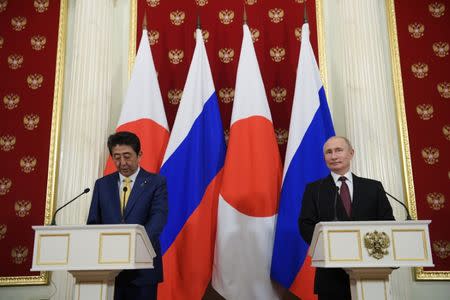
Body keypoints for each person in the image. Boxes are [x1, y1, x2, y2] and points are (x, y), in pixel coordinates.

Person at [298, 136, 394, 300]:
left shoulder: (373, 187)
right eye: (329, 152)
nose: (333, 156)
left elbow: (387, 223)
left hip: (371, 271)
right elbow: (306, 224)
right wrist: (328, 248)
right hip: (331, 275)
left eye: (338, 150)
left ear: (351, 153)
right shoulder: (315, 189)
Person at [87, 131, 168, 300]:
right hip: (109, 268)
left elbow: (158, 218)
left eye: (127, 156)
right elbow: (94, 222)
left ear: (139, 155)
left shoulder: (156, 183)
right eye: (116, 157)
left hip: (143, 268)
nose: (122, 162)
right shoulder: (102, 185)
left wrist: (134, 246)